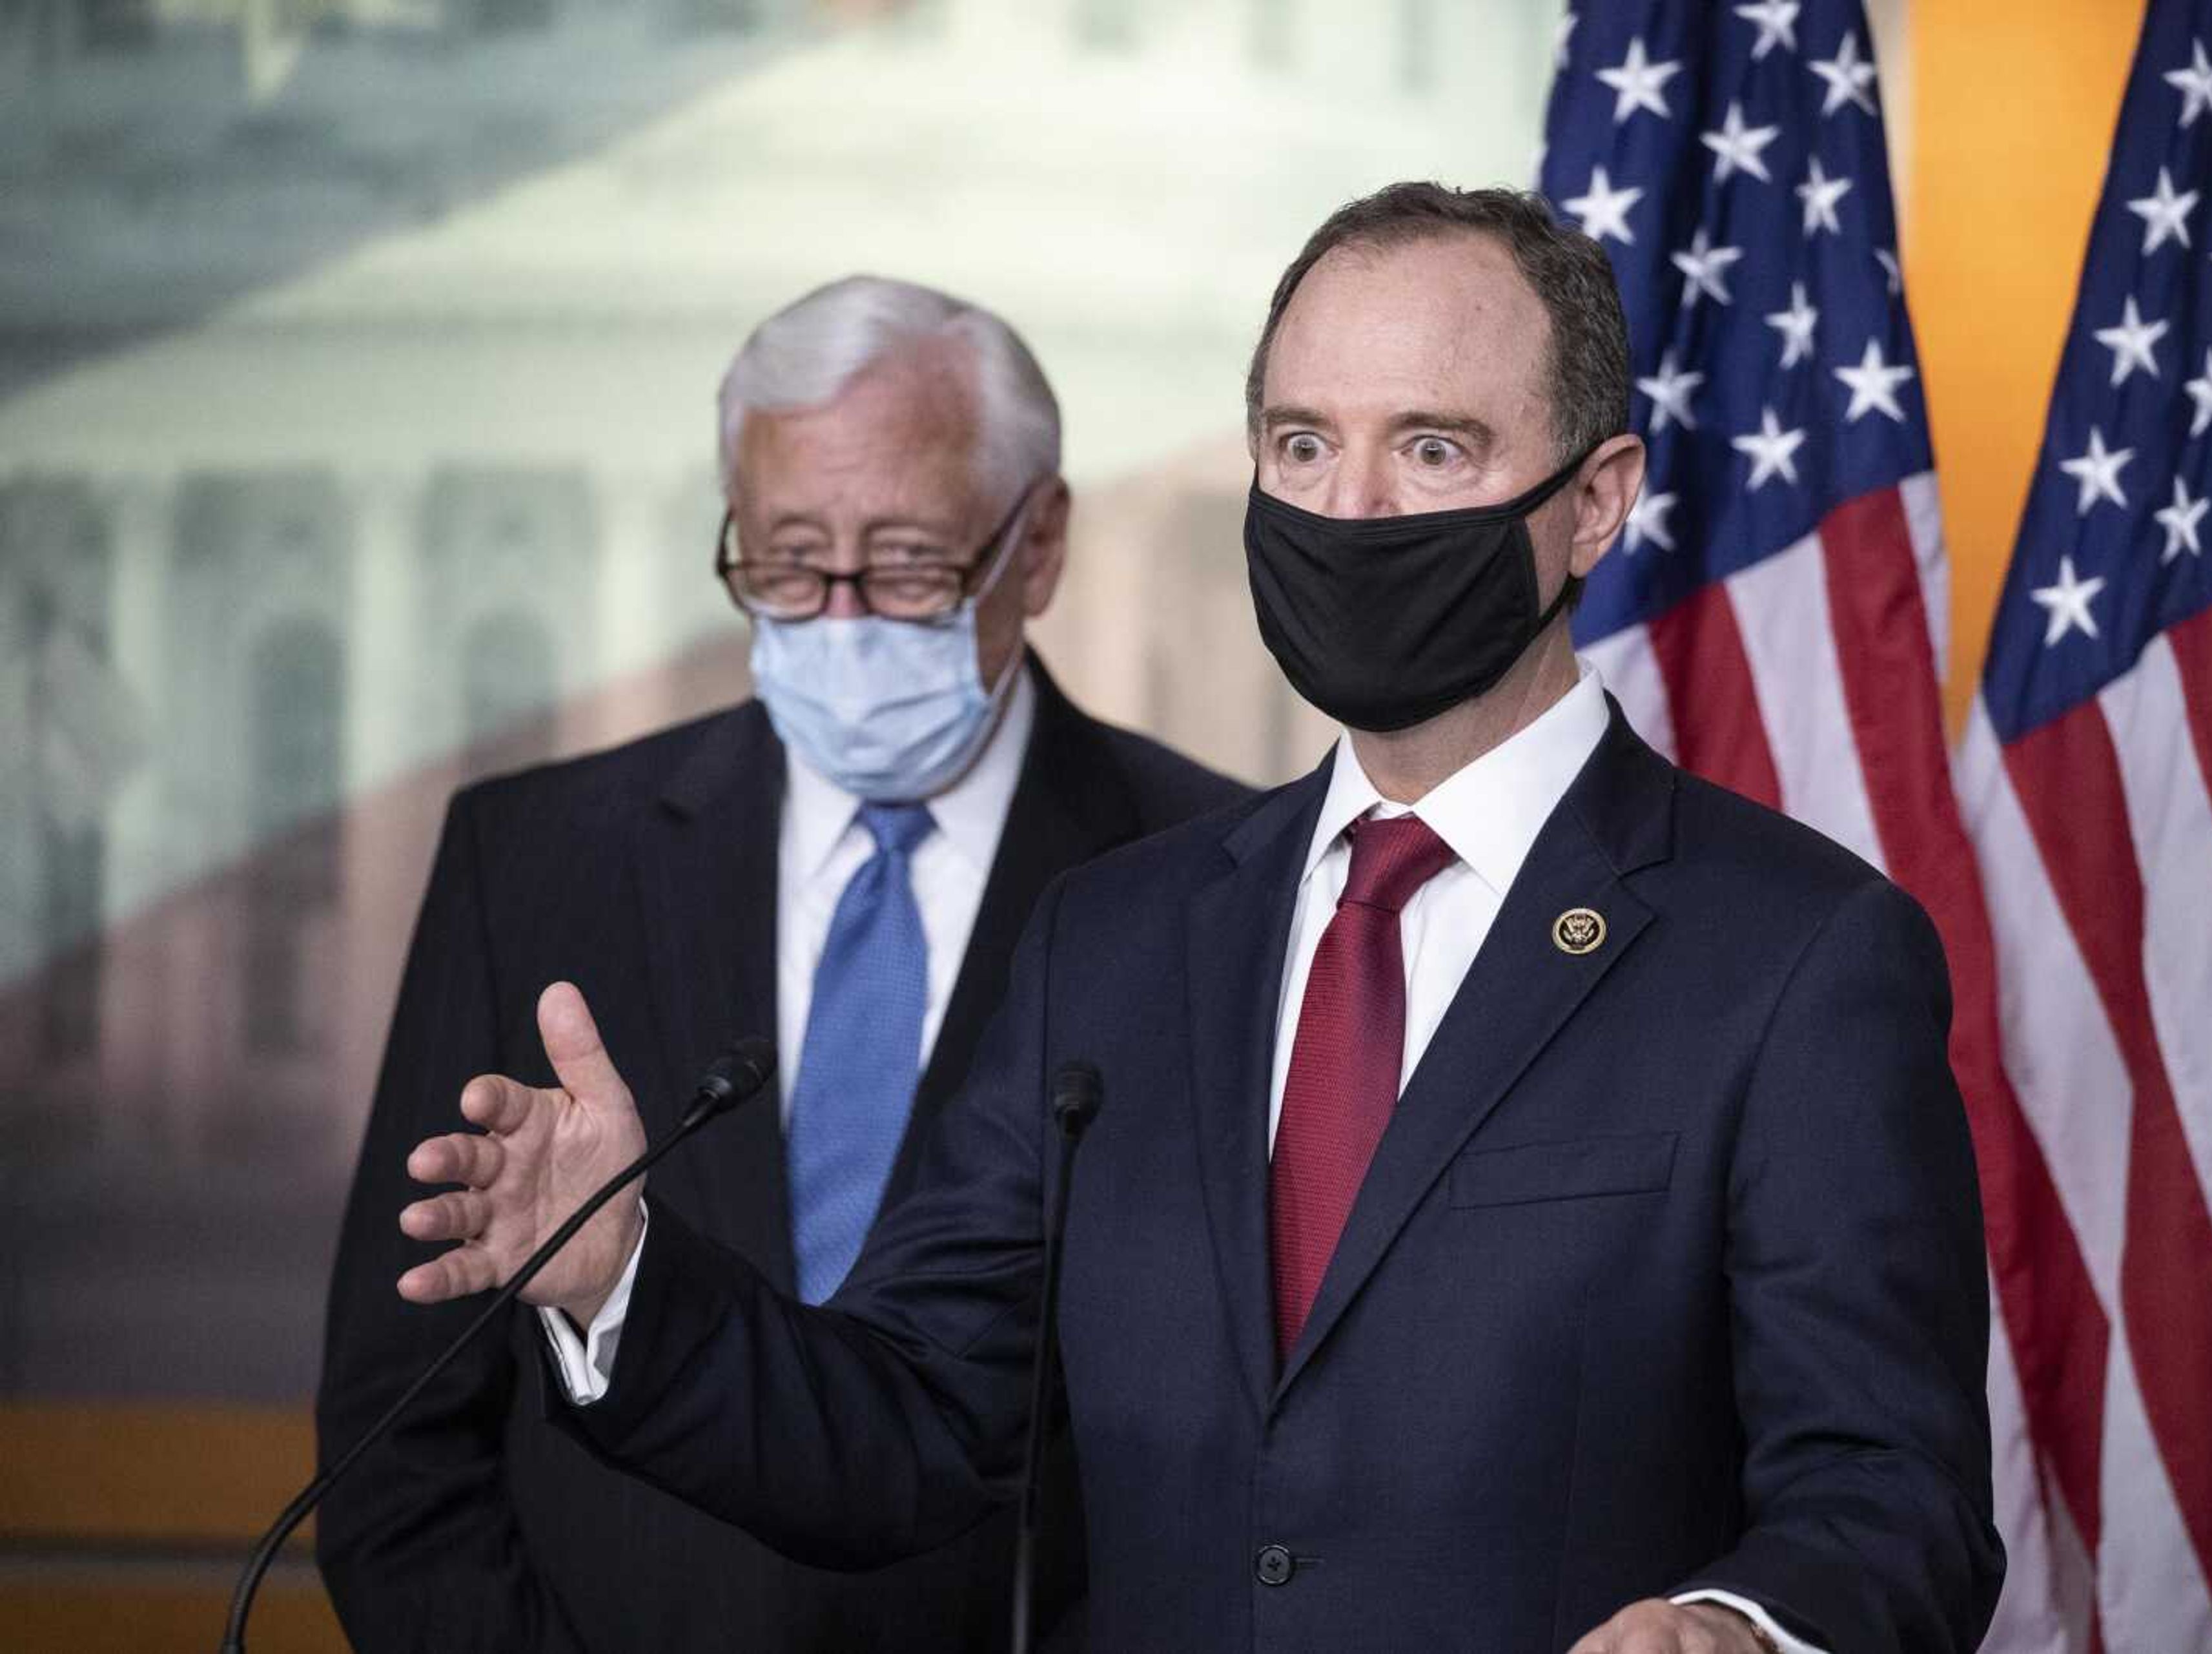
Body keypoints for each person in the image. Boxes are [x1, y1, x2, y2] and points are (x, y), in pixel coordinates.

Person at [394, 185, 2003, 1654]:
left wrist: (1739, 1631)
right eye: (1302, 447)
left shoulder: (1795, 957)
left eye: (1431, 449)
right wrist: (623, 1277)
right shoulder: (1119, 937)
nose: (1352, 509)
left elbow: (1890, 1497)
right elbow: (906, 1427)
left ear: (1594, 504)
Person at [318, 275, 1246, 1654]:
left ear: (1038, 545)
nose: (844, 617)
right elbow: (400, 1436)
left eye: (912, 563)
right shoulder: (532, 861)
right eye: (788, 562)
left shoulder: (1216, 876)